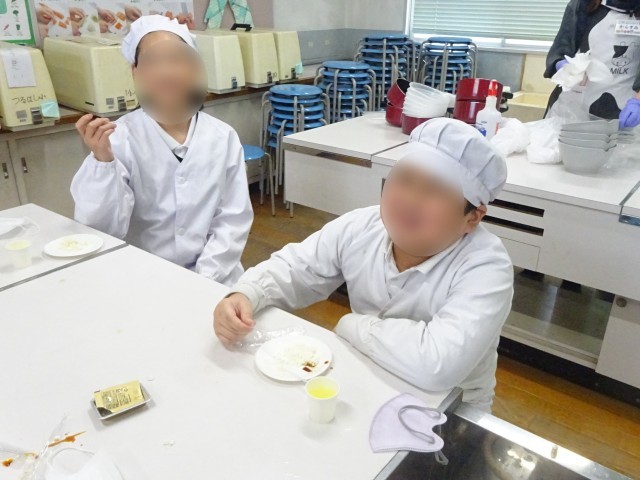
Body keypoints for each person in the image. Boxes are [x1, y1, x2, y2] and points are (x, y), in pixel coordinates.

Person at [213, 118, 514, 412]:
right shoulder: (362, 226)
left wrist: (352, 325)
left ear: (472, 217)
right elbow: (297, 267)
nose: (410, 199)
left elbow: (437, 364)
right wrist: (247, 293)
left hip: (449, 410)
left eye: (434, 190)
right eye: (404, 179)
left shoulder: (487, 267)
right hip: (366, 376)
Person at [71, 15, 253, 286]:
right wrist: (103, 161)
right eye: (154, 61)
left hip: (216, 277)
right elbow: (101, 230)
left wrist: (204, 280)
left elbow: (232, 220)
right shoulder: (118, 139)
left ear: (194, 68)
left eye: (177, 59)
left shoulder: (222, 137)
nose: (167, 72)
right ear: (136, 72)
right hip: (144, 279)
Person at [545, 0, 640, 127]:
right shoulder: (583, 5)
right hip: (572, 107)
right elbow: (560, 50)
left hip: (626, 110)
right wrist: (563, 65)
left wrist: (637, 103)